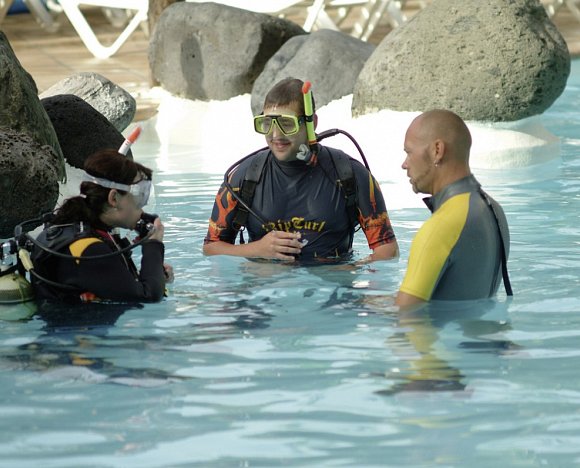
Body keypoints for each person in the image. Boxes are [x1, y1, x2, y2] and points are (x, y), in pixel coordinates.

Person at [203, 77, 398, 262]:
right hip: (263, 284)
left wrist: (346, 270)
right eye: (267, 123)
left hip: (332, 283)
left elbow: (387, 250)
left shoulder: (349, 174)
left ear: (312, 122)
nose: (275, 135)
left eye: (287, 124)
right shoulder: (244, 178)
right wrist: (256, 250)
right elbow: (211, 247)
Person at [396, 109, 511, 307]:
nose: (404, 164)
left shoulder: (441, 226)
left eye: (409, 152)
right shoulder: (494, 210)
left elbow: (406, 317)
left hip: (440, 329)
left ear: (437, 150)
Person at [30, 149, 173, 303]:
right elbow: (148, 297)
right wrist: (154, 244)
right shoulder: (89, 249)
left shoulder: (79, 228)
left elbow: (122, 286)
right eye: (139, 197)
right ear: (114, 198)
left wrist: (156, 275)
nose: (142, 207)